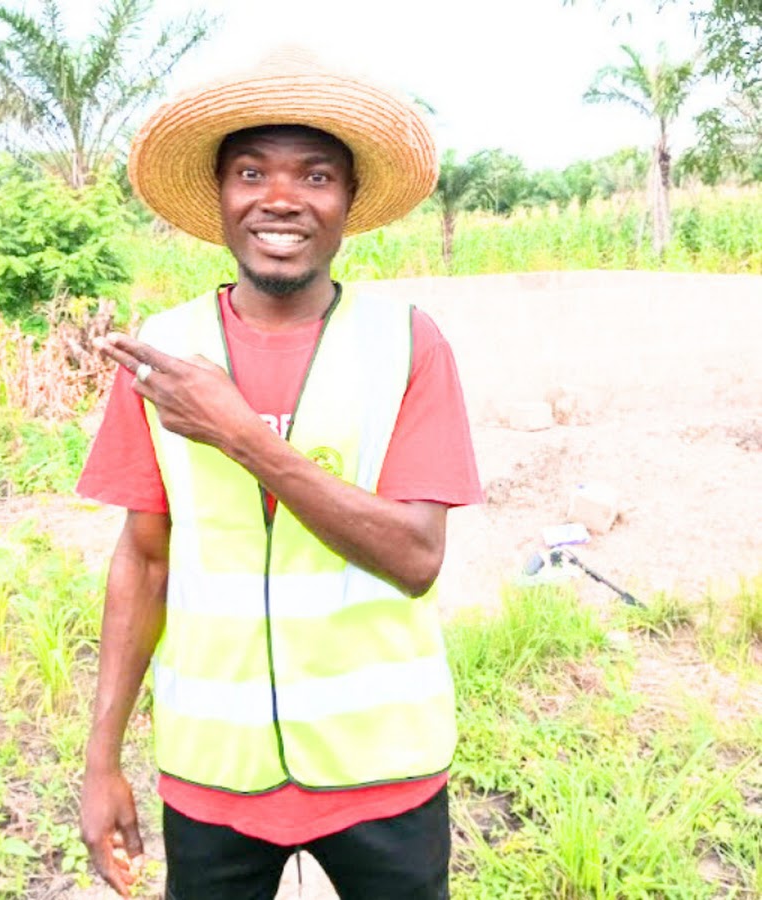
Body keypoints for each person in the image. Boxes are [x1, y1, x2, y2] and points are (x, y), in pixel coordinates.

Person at [77, 48, 482, 900]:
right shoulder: (163, 351)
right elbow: (143, 560)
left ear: (347, 202)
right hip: (210, 773)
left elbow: (415, 556)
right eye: (251, 170)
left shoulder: (409, 343)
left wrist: (240, 434)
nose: (281, 197)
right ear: (221, 197)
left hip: (385, 770)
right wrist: (100, 759)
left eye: (317, 174)